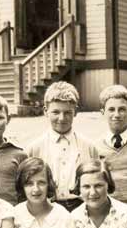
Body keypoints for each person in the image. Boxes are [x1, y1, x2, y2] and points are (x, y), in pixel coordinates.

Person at [27, 81, 99, 212]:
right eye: (56, 112)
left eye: (67, 112)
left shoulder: (89, 147)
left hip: (82, 208)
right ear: (46, 111)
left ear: (75, 112)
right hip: (46, 208)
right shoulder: (34, 148)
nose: (61, 118)